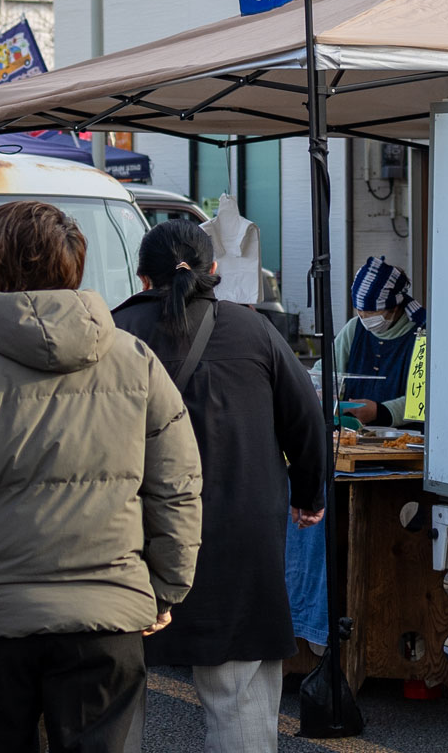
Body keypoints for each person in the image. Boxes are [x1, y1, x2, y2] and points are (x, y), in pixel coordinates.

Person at [0, 200, 203, 753]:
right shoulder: (136, 361)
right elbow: (176, 487)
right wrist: (166, 587)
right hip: (106, 615)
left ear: (5, 270)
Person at [112, 221, 325, 753]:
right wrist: (308, 496)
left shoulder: (113, 334)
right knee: (239, 691)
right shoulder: (255, 331)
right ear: (213, 271)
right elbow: (307, 420)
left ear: (142, 277)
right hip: (239, 531)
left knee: (114, 690)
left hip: (131, 535)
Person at [319, 255, 429, 427]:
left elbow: (423, 398)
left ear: (394, 307)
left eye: (371, 312)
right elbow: (325, 369)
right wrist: (320, 389)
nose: (363, 317)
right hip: (354, 432)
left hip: (406, 436)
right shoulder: (354, 328)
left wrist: (380, 412)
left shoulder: (423, 335)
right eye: (359, 310)